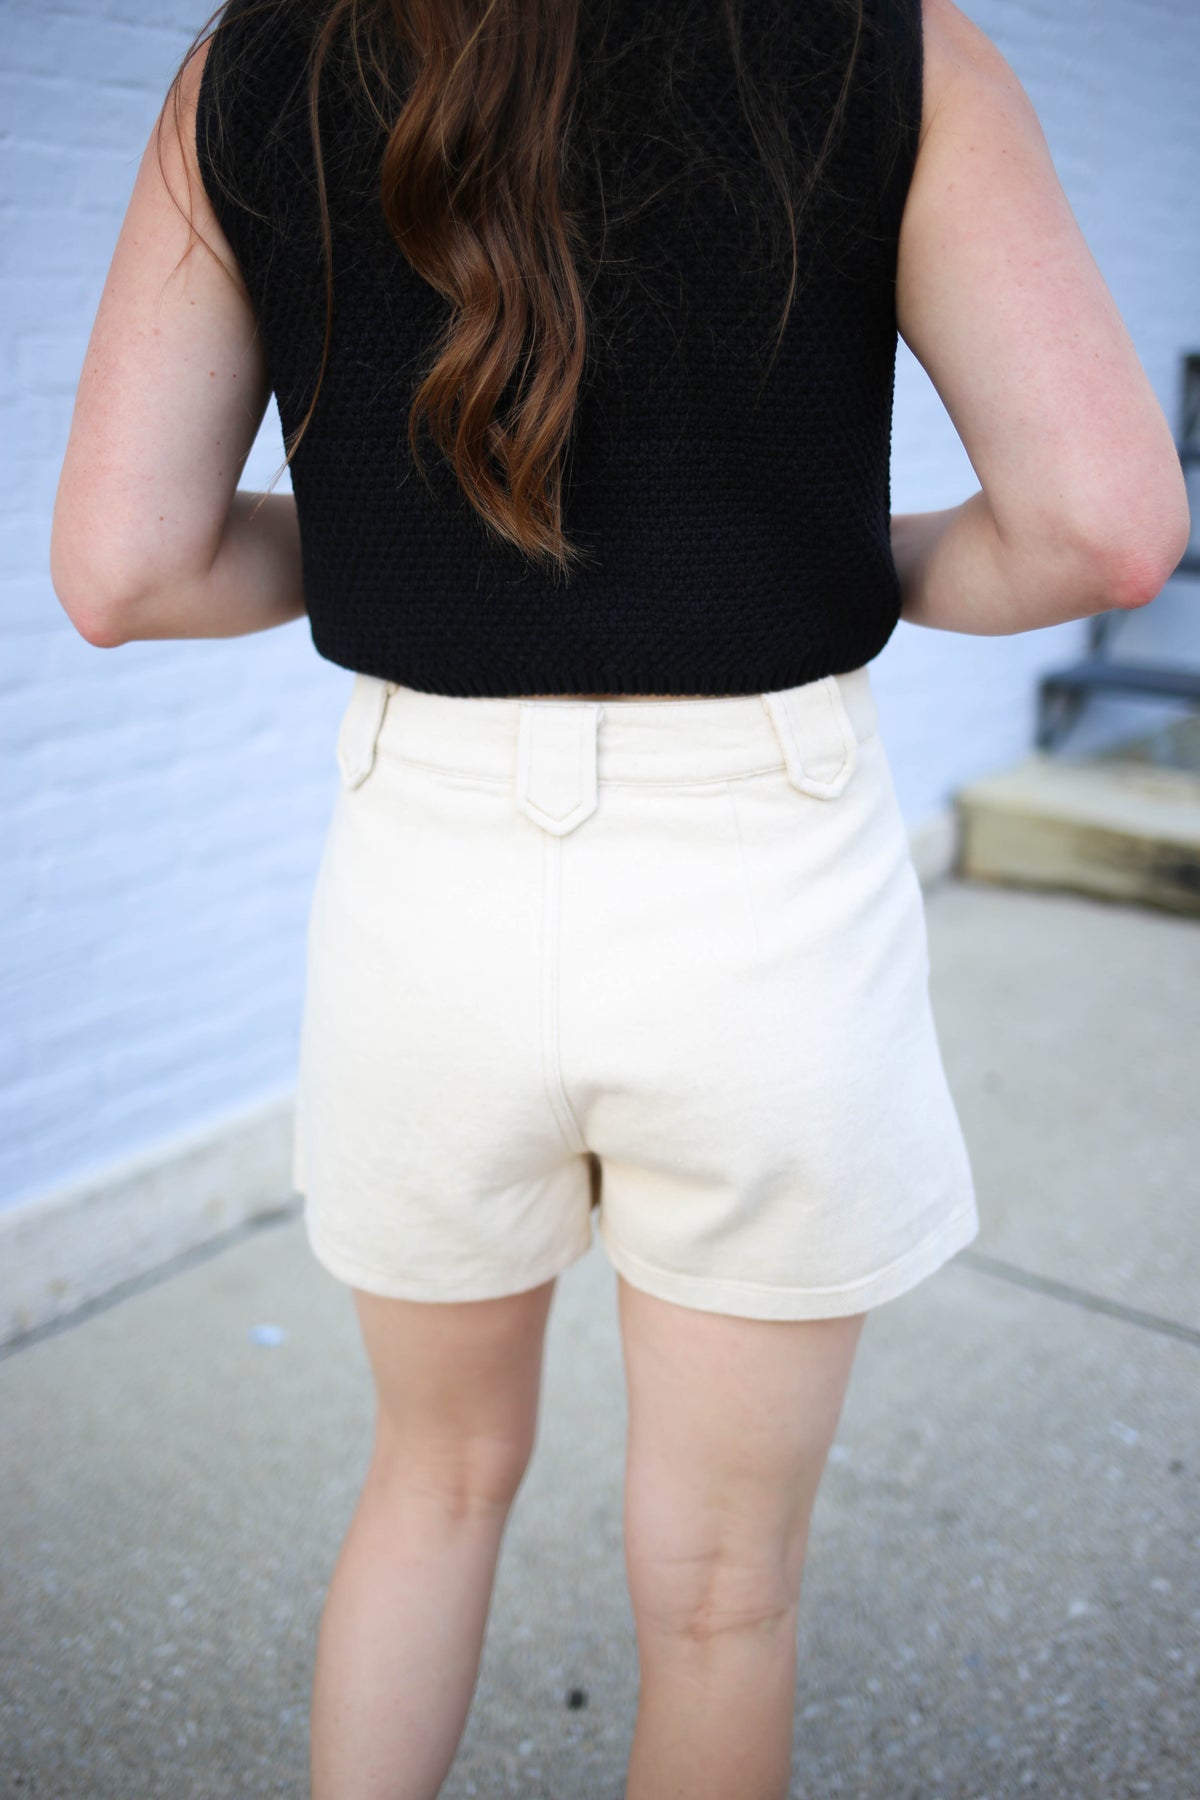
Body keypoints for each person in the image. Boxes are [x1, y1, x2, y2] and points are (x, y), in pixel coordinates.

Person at [49, 0, 1190, 1795]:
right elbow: (1105, 530)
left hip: (424, 883)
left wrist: (394, 552)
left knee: (427, 1486)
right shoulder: (893, 51)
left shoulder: (255, 67)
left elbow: (126, 564)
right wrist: (820, 557)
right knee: (725, 1592)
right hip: (763, 880)